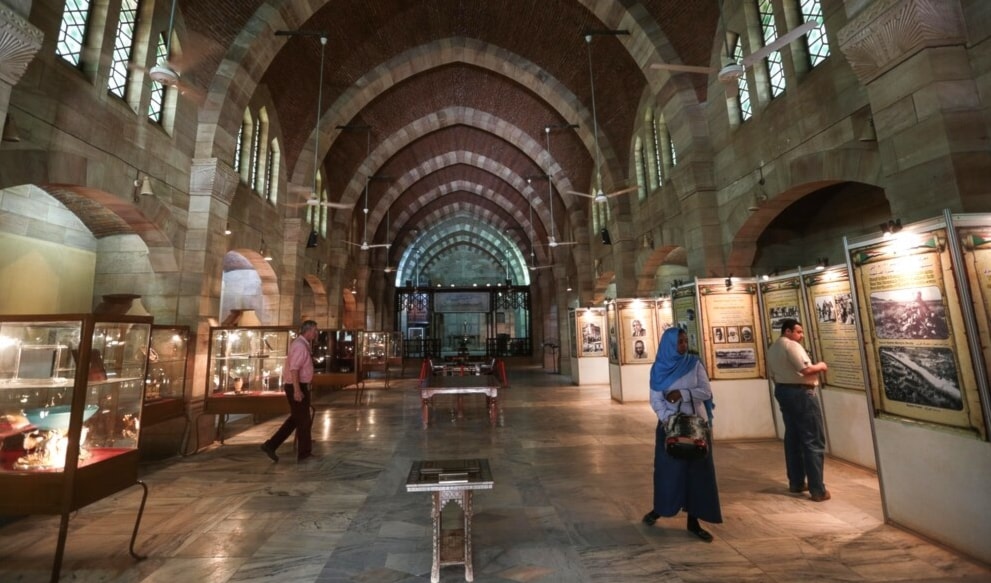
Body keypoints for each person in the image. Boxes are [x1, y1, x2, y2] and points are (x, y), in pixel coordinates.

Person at [642, 327, 722, 542]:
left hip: (697, 427)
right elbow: (656, 400)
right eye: (679, 342)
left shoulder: (693, 363)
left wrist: (683, 394)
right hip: (670, 428)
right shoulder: (659, 368)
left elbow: (705, 392)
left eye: (686, 341)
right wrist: (670, 420)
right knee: (668, 473)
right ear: (669, 345)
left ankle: (694, 519)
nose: (684, 346)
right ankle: (661, 508)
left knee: (697, 474)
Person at [766, 318, 830, 501]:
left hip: (783, 391)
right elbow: (806, 370)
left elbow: (773, 375)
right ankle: (818, 489)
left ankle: (796, 482)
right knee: (813, 439)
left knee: (793, 438)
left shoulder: (773, 348)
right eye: (798, 332)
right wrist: (822, 366)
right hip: (802, 394)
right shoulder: (791, 346)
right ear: (787, 331)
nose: (801, 336)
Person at [260, 320, 318, 462]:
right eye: (315, 330)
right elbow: (294, 369)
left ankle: (271, 445)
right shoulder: (299, 346)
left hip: (299, 385)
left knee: (295, 419)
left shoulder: (303, 344)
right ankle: (304, 454)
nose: (316, 333)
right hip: (296, 386)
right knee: (304, 421)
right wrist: (297, 391)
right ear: (308, 331)